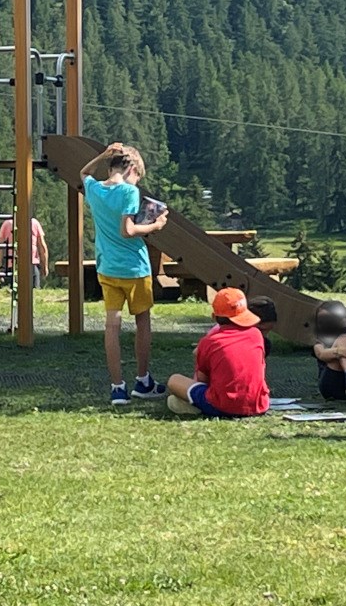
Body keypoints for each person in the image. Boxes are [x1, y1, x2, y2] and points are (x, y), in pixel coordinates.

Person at [81, 142, 170, 405]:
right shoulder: (129, 192)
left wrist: (103, 155)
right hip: (134, 267)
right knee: (142, 321)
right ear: (131, 169)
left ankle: (117, 387)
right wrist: (155, 225)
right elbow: (128, 230)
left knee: (112, 326)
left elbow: (84, 173)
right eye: (138, 176)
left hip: (107, 267)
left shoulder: (95, 189)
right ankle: (143, 380)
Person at [167, 287, 271, 419]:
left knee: (174, 380)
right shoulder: (256, 335)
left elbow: (202, 380)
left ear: (214, 317)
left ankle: (193, 406)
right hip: (258, 404)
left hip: (221, 405)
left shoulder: (209, 342)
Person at [0, 214, 51, 282]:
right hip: (31, 264)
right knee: (33, 287)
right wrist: (44, 266)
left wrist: (0, 267)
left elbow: (0, 247)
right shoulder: (34, 223)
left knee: (12, 286)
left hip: (12, 264)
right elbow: (42, 247)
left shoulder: (8, 223)